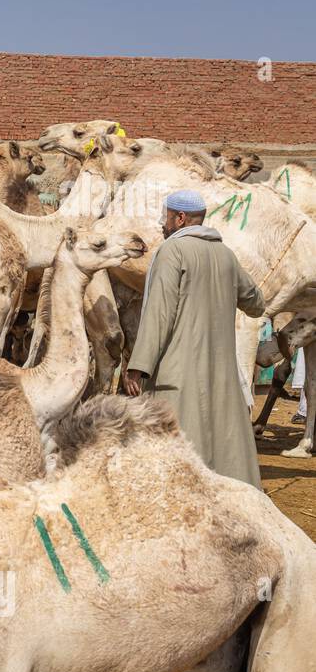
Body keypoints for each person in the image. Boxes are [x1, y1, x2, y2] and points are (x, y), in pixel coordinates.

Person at [125, 189, 265, 488]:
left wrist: (139, 364)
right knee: (223, 446)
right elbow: (256, 301)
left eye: (166, 218)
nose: (162, 225)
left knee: (180, 447)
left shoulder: (172, 251)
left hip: (180, 368)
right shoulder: (226, 254)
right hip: (221, 372)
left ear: (179, 218)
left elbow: (159, 312)